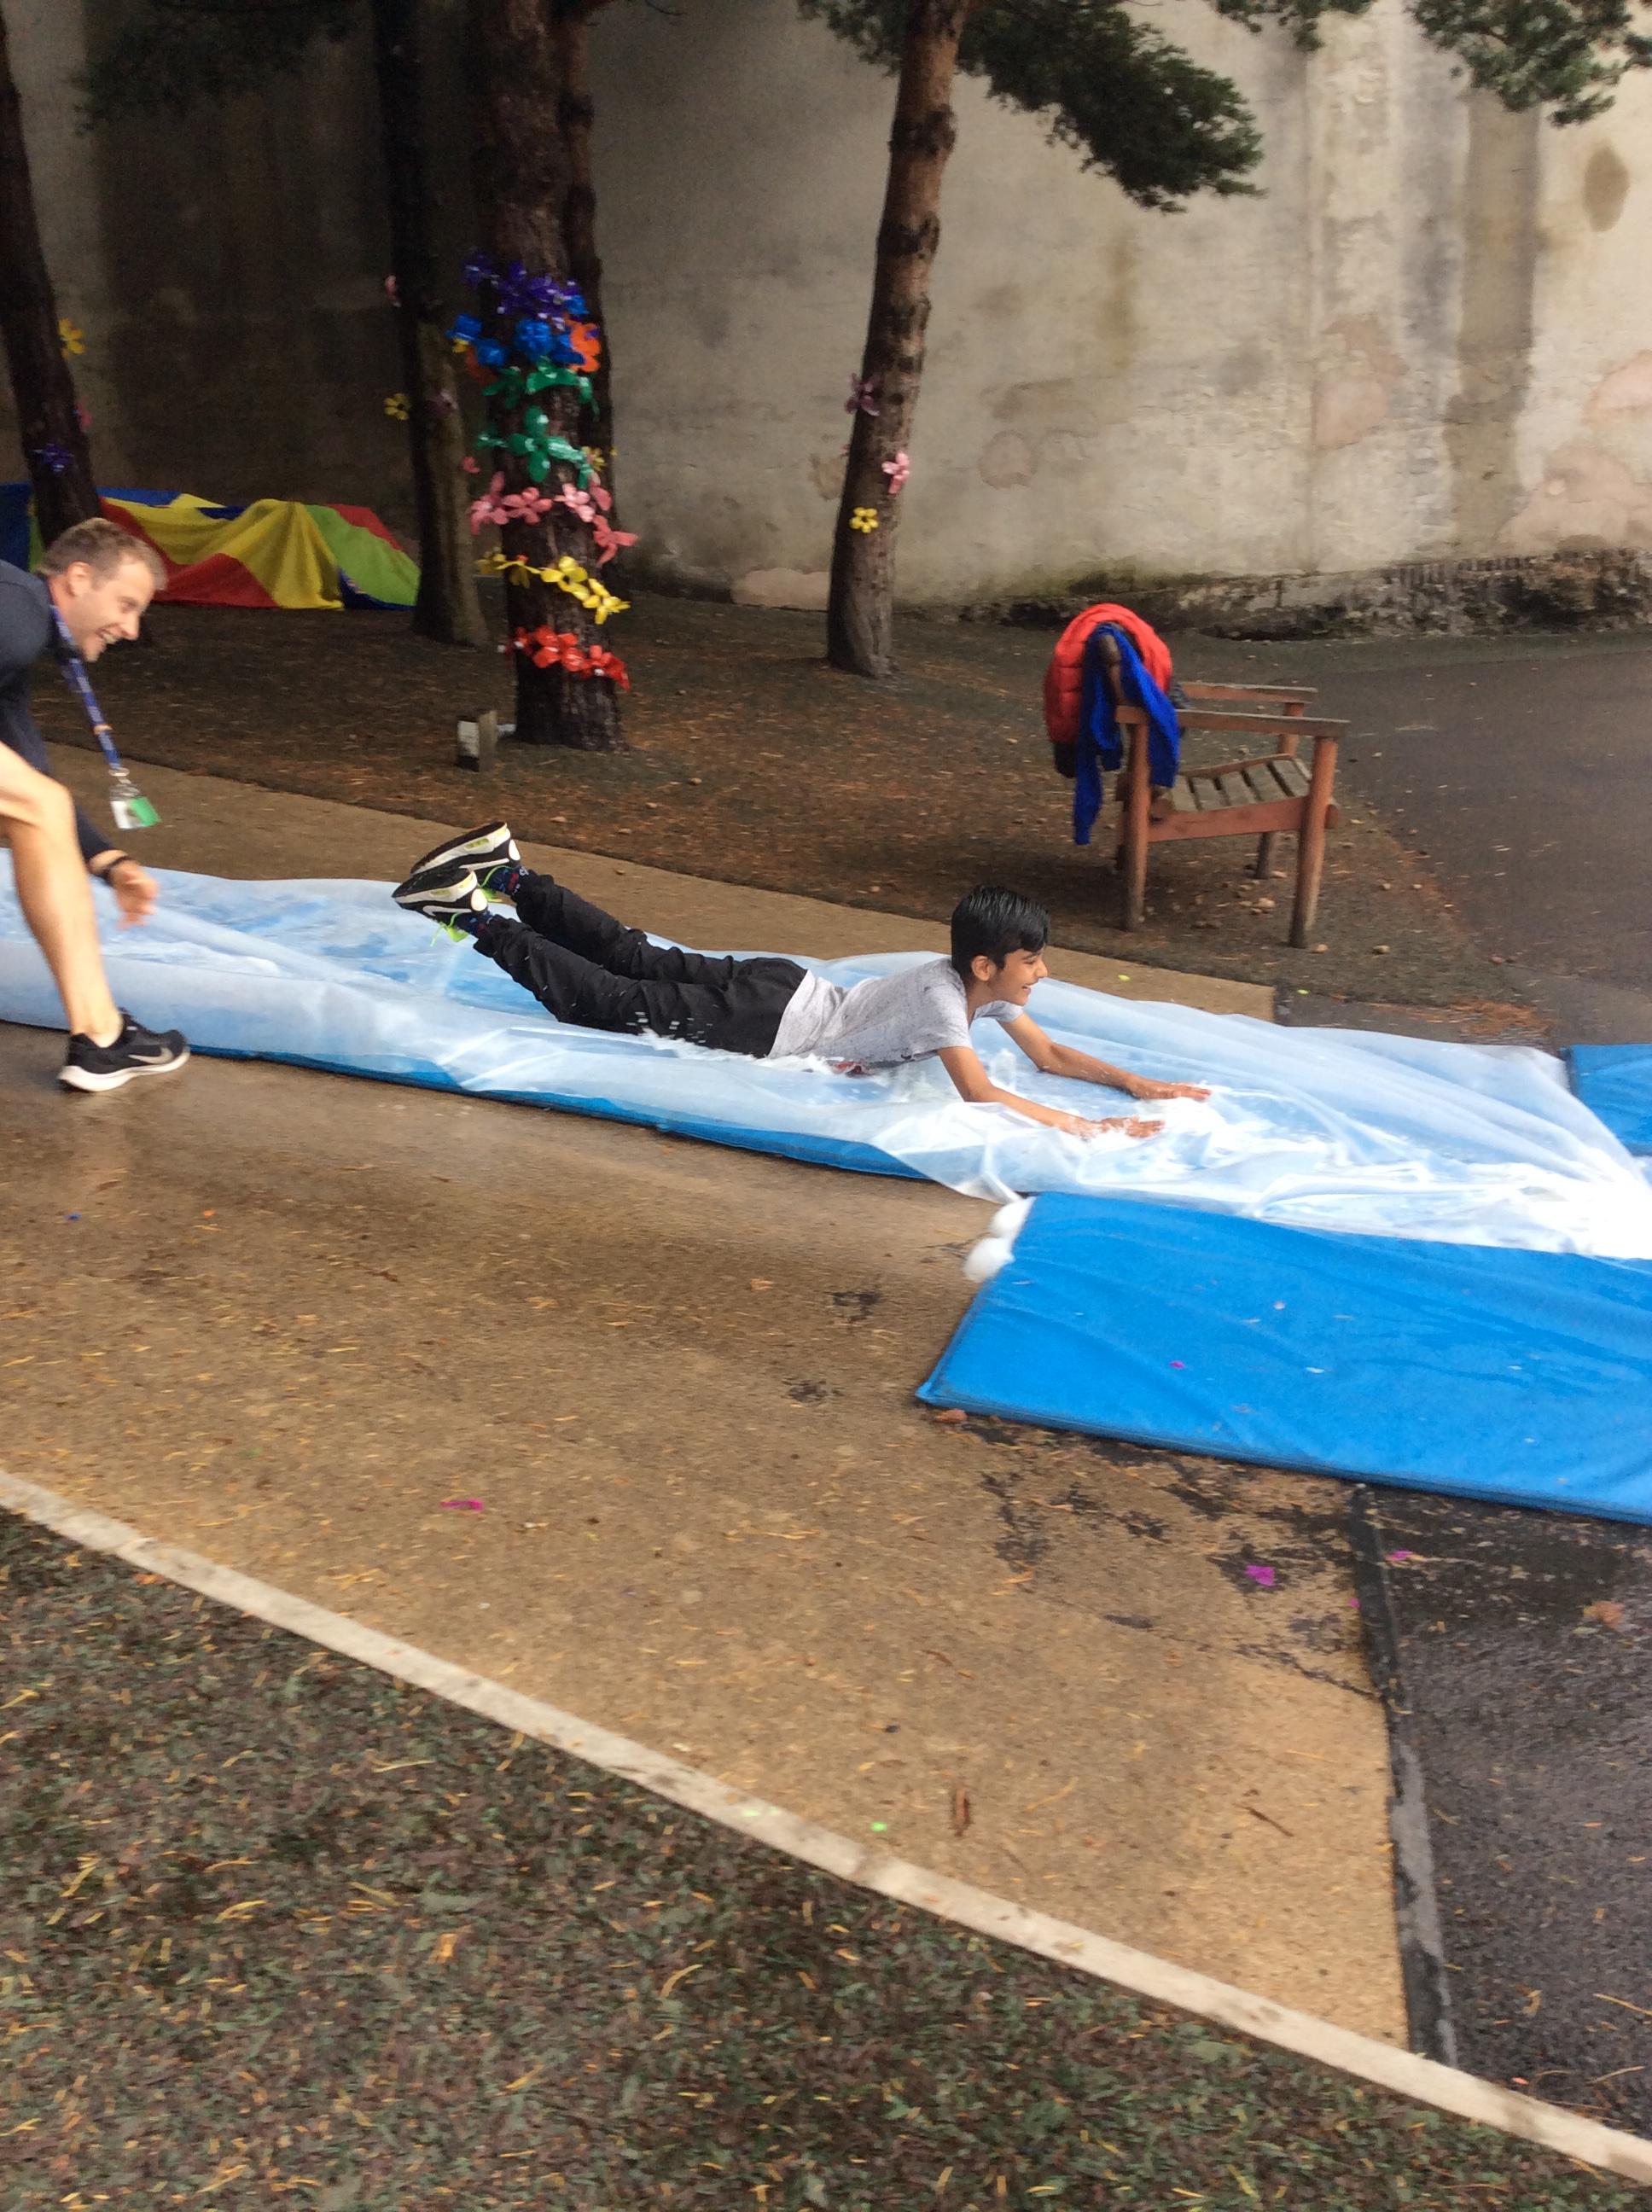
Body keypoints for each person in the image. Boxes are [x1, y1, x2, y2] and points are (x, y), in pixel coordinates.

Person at [392, 825, 1208, 1139]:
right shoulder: (946, 1007)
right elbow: (985, 1095)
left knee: (635, 956)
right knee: (604, 1001)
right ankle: (470, 910)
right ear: (988, 968)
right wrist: (1089, 1129)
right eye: (1033, 961)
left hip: (783, 986)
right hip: (768, 1023)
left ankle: (508, 873)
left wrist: (1138, 1084)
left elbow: (1050, 1056)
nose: (1045, 972)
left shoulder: (972, 991)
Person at [0, 515, 188, 1091]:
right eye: (126, 605)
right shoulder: (17, 610)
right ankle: (101, 1037)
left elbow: (30, 776)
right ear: (78, 578)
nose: (130, 629)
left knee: (38, 805)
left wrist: (108, 860)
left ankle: (100, 1036)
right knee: (38, 804)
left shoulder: (15, 635)